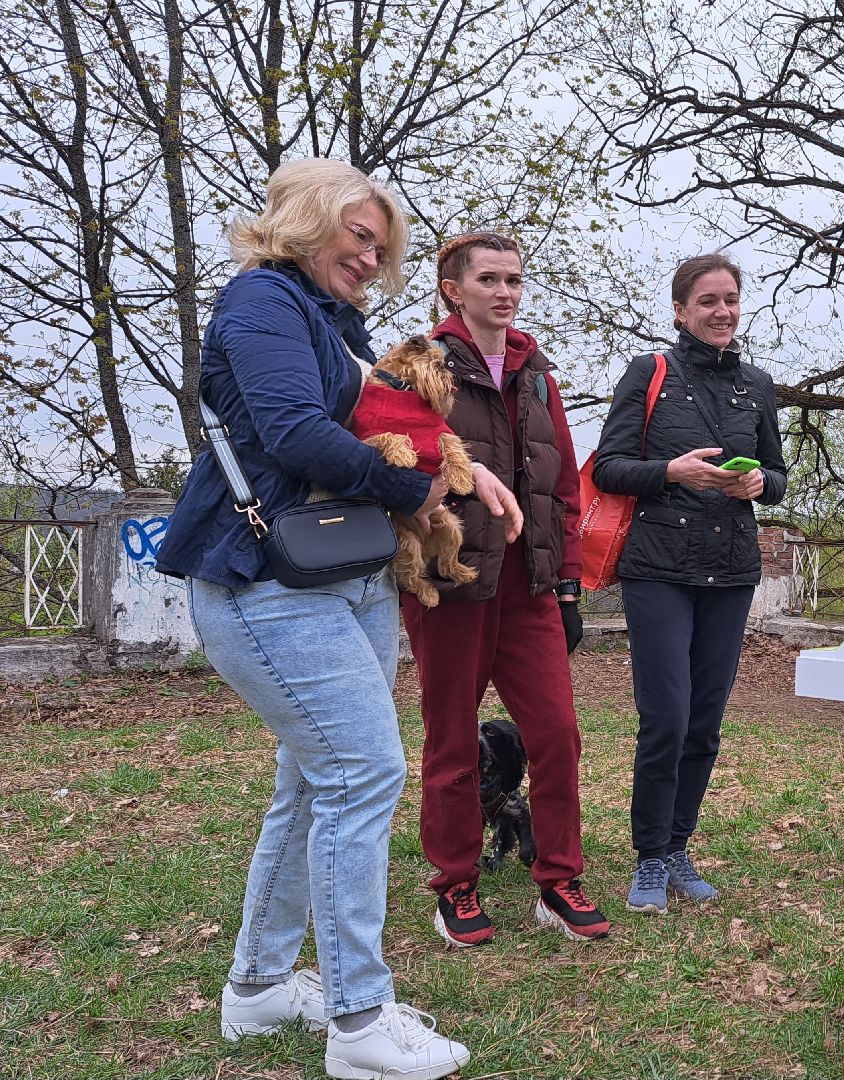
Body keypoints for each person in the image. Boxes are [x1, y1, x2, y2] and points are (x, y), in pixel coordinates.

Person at [157, 159, 519, 1080]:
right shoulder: (263, 302)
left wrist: (466, 472)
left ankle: (260, 988)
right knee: (364, 772)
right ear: (308, 220)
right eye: (359, 236)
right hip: (263, 579)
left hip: (344, 574)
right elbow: (294, 434)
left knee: (314, 785)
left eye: (381, 245)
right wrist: (419, 488)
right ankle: (359, 1023)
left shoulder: (332, 319)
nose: (370, 256)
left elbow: (387, 418)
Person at [402, 232, 610, 947]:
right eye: (489, 279)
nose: (506, 292)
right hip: (452, 582)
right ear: (452, 289)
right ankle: (455, 883)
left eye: (514, 279)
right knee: (452, 741)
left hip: (531, 587)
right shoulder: (419, 368)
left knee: (557, 735)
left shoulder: (537, 374)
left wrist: (571, 584)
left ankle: (558, 880)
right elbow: (398, 460)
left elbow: (562, 487)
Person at [592, 253, 787, 914]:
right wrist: (671, 472)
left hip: (730, 571)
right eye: (707, 300)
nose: (722, 311)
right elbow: (611, 468)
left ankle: (678, 845)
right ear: (681, 310)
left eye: (730, 298)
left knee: (704, 721)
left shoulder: (757, 385)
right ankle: (649, 855)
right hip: (658, 571)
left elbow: (777, 476)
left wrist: (761, 483)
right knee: (667, 718)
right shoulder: (649, 374)